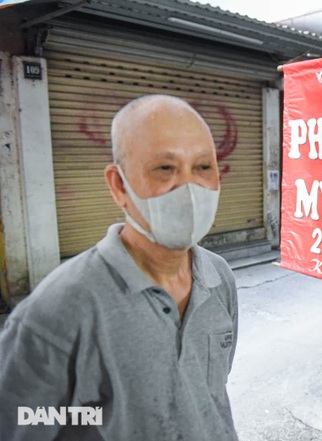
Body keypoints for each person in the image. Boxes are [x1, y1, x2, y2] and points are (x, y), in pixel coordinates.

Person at [0, 95, 239, 440]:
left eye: (203, 167)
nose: (189, 188)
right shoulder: (58, 310)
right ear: (118, 185)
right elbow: (23, 420)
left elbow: (210, 389)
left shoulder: (219, 279)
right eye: (165, 168)